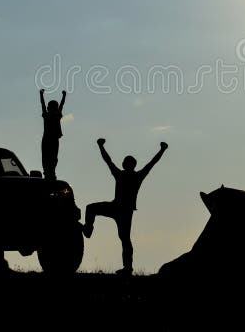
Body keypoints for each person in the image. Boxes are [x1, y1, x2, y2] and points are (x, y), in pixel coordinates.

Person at [82, 138, 169, 276]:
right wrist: (162, 150)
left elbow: (108, 160)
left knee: (122, 236)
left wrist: (101, 146)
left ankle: (88, 229)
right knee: (124, 238)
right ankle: (127, 266)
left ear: (126, 164)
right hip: (121, 209)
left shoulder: (126, 175)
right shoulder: (134, 175)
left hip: (121, 209)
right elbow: (151, 163)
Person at [39, 88, 66, 180]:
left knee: (52, 158)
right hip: (48, 139)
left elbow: (61, 105)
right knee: (47, 157)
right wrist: (41, 95)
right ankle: (48, 173)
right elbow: (43, 104)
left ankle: (51, 172)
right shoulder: (48, 115)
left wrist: (64, 96)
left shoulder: (55, 115)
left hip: (52, 139)